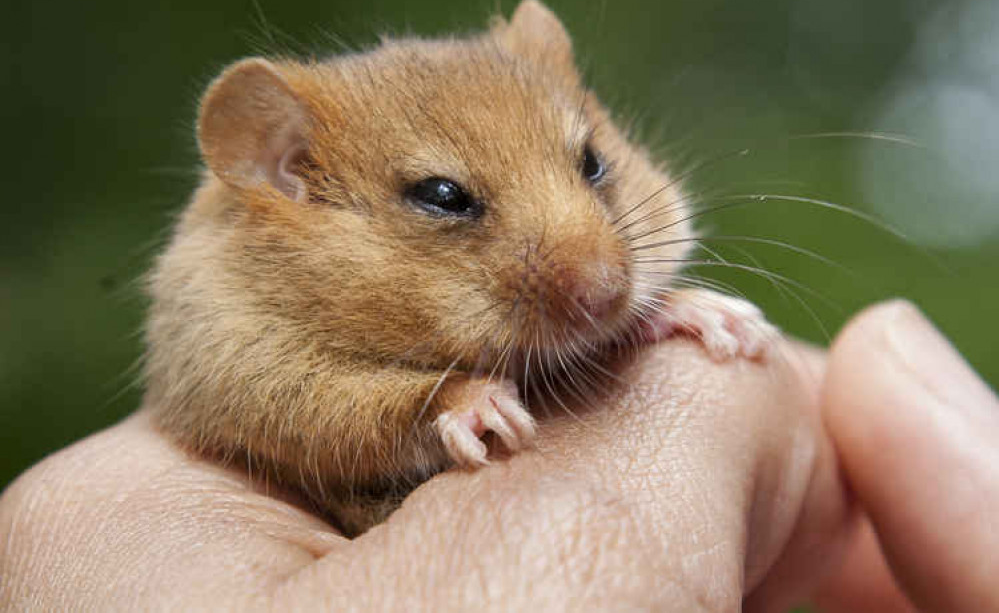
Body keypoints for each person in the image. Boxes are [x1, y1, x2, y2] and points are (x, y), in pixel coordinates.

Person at [0, 300, 995, 611]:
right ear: (279, 165)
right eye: (449, 198)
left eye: (589, 169)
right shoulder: (230, 302)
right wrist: (425, 405)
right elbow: (232, 393)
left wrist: (665, 302)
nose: (588, 268)